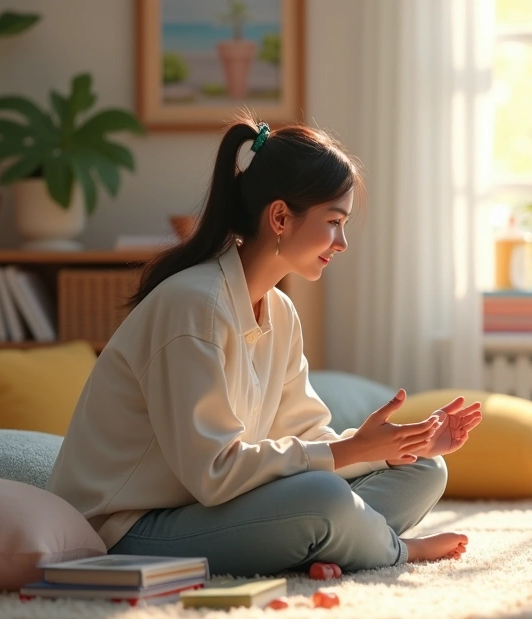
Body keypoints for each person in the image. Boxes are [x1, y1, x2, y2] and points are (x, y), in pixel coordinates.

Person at [48, 117, 482, 577]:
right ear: (279, 217)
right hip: (132, 529)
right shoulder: (192, 305)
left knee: (424, 471)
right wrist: (352, 452)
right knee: (326, 501)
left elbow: (306, 440)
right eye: (334, 222)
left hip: (215, 508)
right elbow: (214, 473)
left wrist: (392, 446)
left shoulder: (279, 310)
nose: (343, 243)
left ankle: (338, 542)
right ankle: (391, 549)